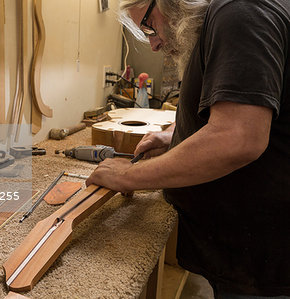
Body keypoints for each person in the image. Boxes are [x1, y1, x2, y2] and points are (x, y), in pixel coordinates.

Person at [86, 0, 290, 297]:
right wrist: (177, 135)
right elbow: (239, 110)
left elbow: (238, 137)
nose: (153, 44)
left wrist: (128, 176)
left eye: (148, 24)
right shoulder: (227, 17)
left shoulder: (240, 12)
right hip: (251, 254)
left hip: (265, 265)